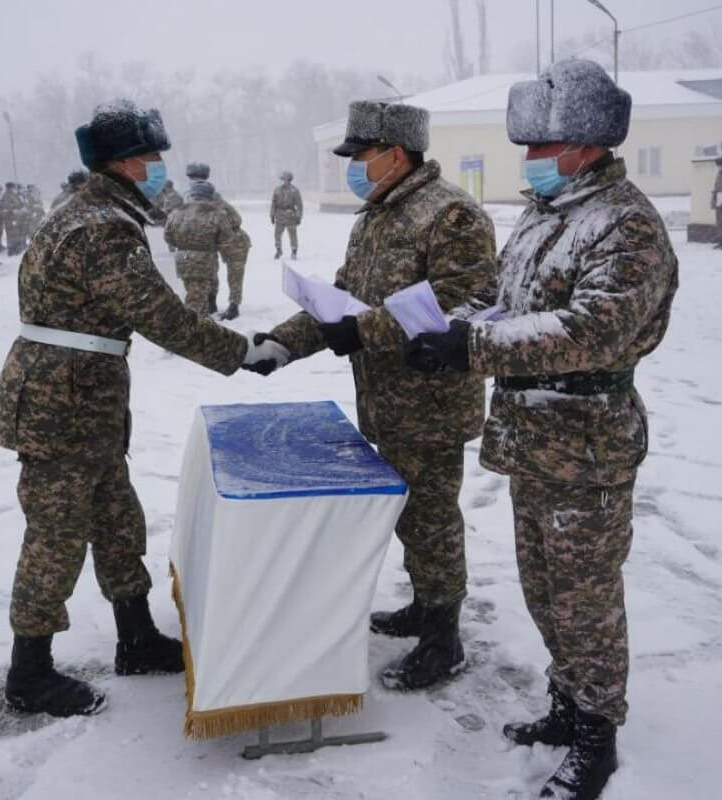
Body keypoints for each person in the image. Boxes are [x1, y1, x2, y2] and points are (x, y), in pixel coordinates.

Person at [405, 59, 678, 800]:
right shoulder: (544, 215)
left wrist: (475, 348)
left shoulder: (626, 224)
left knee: (586, 597)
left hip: (587, 442)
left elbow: (592, 329)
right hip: (532, 435)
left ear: (585, 145)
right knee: (544, 587)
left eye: (539, 148)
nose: (529, 161)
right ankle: (566, 703)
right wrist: (452, 326)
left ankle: (598, 733)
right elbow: (501, 296)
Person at [0, 99, 288, 718]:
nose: (161, 169)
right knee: (56, 535)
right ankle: (30, 672)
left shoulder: (92, 210)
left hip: (84, 394)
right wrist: (243, 353)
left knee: (116, 517)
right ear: (125, 164)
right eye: (153, 159)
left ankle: (135, 635)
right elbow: (162, 317)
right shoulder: (101, 225)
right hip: (61, 402)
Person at [262, 100, 497, 691]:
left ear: (396, 154)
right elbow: (341, 297)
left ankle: (444, 635)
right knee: (406, 513)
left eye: (360, 156)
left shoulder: (452, 216)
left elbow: (461, 301)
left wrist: (362, 331)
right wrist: (283, 343)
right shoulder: (374, 217)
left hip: (431, 402)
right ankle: (424, 604)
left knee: (431, 516)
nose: (352, 167)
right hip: (385, 400)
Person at [164, 179, 236, 314]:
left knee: (194, 292)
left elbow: (168, 236)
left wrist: (184, 246)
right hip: (205, 260)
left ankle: (200, 320)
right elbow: (227, 238)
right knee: (196, 300)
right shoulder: (216, 214)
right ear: (209, 196)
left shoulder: (176, 212)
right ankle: (193, 327)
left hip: (183, 260)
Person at [270, 170, 302, 259]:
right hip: (279, 215)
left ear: (290, 180)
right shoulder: (277, 190)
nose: (285, 181)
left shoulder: (294, 191)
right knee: (277, 235)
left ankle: (294, 250)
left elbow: (299, 205)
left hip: (291, 216)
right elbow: (273, 203)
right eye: (283, 179)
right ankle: (278, 250)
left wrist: (299, 216)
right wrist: (272, 215)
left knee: (292, 235)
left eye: (287, 179)